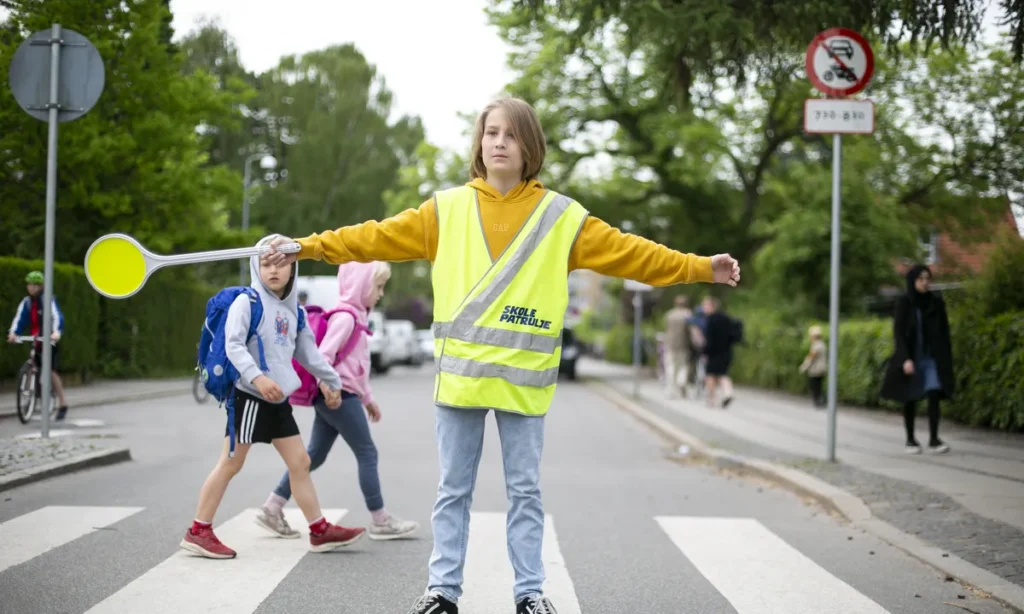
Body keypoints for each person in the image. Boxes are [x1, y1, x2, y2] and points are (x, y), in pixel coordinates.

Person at [261, 96, 740, 614]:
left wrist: (698, 267)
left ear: (529, 145)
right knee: (453, 491)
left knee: (526, 494)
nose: (498, 143)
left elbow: (633, 253)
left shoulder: (561, 217)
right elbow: (371, 236)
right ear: (479, 143)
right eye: (490, 133)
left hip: (522, 383)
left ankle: (530, 594)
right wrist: (305, 247)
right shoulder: (445, 209)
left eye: (510, 135)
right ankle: (442, 592)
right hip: (462, 381)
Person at [181, 235, 366, 560]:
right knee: (231, 463)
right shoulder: (247, 302)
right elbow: (233, 345)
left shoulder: (292, 309)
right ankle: (199, 531)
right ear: (256, 265)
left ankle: (319, 531)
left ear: (293, 268)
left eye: (281, 264)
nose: (273, 270)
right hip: (250, 397)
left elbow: (308, 352)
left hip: (278, 399)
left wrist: (331, 381)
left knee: (300, 462)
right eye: (266, 264)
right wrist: (258, 377)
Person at [255, 260, 419, 541]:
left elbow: (357, 366)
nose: (380, 294)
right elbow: (325, 355)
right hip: (338, 395)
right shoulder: (346, 317)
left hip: (339, 394)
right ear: (361, 287)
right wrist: (329, 387)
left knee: (313, 456)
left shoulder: (357, 317)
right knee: (367, 453)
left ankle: (273, 506)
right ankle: (380, 519)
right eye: (377, 287)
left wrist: (368, 399)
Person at [880, 265, 952, 454]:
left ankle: (934, 438)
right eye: (920, 279)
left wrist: (945, 357)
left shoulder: (936, 303)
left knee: (934, 392)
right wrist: (905, 358)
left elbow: (944, 332)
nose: (925, 282)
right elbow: (899, 333)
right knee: (910, 397)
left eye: (927, 278)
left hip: (931, 358)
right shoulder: (905, 303)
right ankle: (910, 439)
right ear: (913, 281)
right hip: (912, 357)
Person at [7, 270, 68, 419]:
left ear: (41, 286)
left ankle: (62, 403)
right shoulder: (27, 302)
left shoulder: (48, 300)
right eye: (29, 284)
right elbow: (19, 319)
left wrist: (56, 333)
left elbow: (57, 317)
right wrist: (13, 333)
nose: (31, 288)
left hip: (49, 339)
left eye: (34, 285)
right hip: (36, 339)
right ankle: (31, 398)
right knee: (32, 364)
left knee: (51, 371)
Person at [700, 295, 739, 408]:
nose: (703, 307)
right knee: (723, 374)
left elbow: (709, 340)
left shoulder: (710, 320)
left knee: (710, 375)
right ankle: (728, 393)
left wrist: (705, 352)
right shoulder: (727, 318)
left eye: (705, 305)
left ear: (712, 306)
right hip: (727, 352)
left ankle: (712, 400)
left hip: (713, 353)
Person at [662, 295, 694, 398]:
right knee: (683, 366)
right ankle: (681, 381)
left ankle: (670, 390)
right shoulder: (688, 315)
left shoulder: (670, 314)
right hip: (684, 344)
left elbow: (666, 329)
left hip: (670, 344)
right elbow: (691, 331)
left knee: (670, 366)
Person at [799, 325, 827, 408]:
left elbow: (811, 357)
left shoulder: (816, 346)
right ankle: (820, 400)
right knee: (819, 385)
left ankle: (818, 401)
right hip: (821, 368)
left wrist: (804, 367)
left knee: (815, 386)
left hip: (816, 370)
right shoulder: (822, 344)